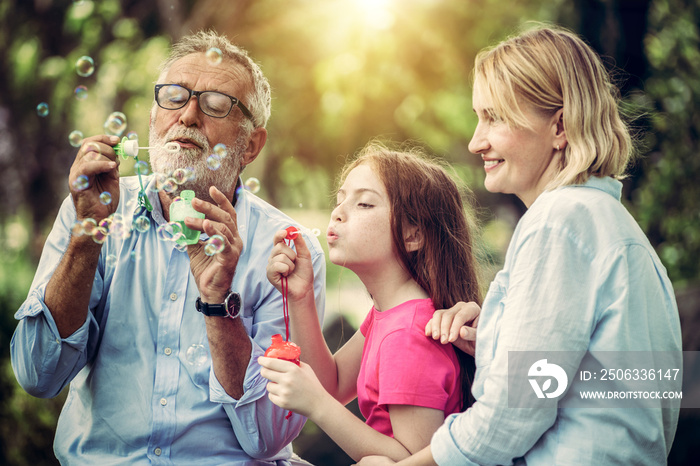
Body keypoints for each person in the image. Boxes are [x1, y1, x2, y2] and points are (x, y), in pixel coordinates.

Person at [358, 24, 683, 466]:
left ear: (560, 127)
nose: (476, 141)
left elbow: (509, 418)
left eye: (495, 117)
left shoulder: (559, 223)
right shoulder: (608, 225)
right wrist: (493, 337)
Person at [10, 31, 326, 465]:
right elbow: (37, 374)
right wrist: (87, 234)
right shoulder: (94, 211)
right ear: (154, 117)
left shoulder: (288, 250)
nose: (189, 115)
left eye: (216, 104)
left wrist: (218, 304)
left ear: (251, 145)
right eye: (174, 97)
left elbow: (268, 437)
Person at [258, 143, 481, 462]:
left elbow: (412, 459)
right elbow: (333, 384)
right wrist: (301, 297)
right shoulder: (390, 315)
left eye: (363, 203)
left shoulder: (407, 335)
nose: (338, 212)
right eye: (340, 200)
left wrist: (317, 405)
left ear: (413, 235)